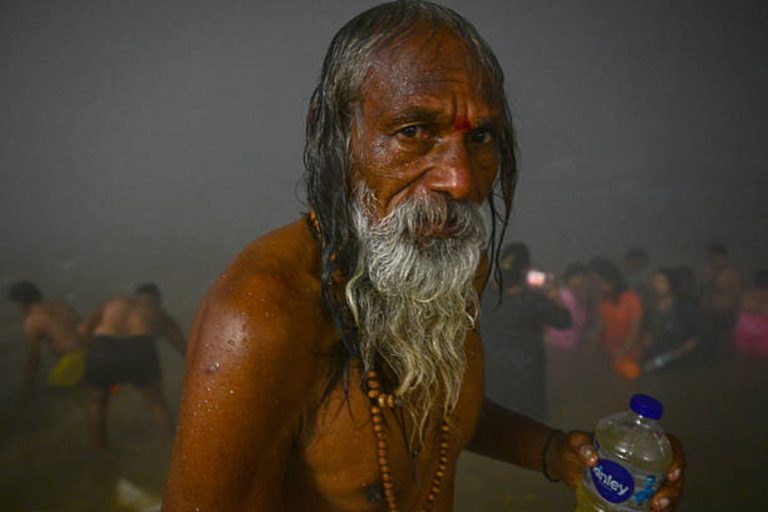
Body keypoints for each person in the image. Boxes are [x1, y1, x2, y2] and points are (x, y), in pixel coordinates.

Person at [163, 2, 685, 511]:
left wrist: (554, 453)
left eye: (480, 137)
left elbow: (428, 411)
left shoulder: (448, 261)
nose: (459, 181)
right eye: (413, 131)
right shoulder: (261, 317)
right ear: (331, 130)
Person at [80, 283, 186, 450]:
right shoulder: (157, 311)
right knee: (156, 403)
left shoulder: (113, 303)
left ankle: (100, 452)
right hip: (139, 350)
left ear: (135, 295)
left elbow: (85, 329)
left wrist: (89, 355)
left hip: (104, 348)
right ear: (157, 299)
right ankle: (176, 450)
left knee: (96, 403)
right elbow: (182, 347)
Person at [481, 243, 571, 422]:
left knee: (491, 418)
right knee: (524, 423)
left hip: (490, 368)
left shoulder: (485, 296)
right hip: (526, 373)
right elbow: (564, 322)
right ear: (525, 271)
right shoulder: (535, 301)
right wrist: (556, 297)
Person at [6, 281, 86, 406]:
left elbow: (34, 359)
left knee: (50, 396)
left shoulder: (32, 321)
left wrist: (27, 388)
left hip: (74, 359)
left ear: (21, 304)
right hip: (94, 350)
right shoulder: (61, 305)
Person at [589, 258, 645, 377]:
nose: (598, 285)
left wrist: (623, 350)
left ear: (613, 281)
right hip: (609, 350)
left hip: (630, 353)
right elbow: (602, 322)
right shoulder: (605, 299)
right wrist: (594, 340)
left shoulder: (631, 299)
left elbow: (634, 330)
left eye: (601, 281)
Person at [641, 268, 704, 373]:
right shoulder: (651, 306)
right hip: (656, 357)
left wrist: (676, 354)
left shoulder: (684, 306)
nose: (658, 285)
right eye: (655, 281)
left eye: (662, 281)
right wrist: (647, 336)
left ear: (672, 283)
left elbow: (698, 335)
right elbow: (648, 327)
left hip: (681, 362)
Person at [700, 242, 743, 353]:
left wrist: (733, 316)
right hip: (709, 316)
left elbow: (737, 297)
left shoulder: (733, 274)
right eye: (712, 257)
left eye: (717, 257)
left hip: (727, 317)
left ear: (725, 257)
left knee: (725, 349)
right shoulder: (707, 271)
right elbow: (704, 291)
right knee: (710, 350)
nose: (715, 260)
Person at [546, 262, 589, 351]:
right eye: (576, 277)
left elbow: (581, 322)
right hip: (559, 343)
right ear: (569, 278)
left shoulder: (579, 297)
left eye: (582, 277)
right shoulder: (562, 295)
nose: (580, 280)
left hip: (572, 342)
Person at [732, 269, 768, 357]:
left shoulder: (746, 296)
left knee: (745, 361)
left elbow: (740, 312)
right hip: (764, 335)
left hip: (744, 332)